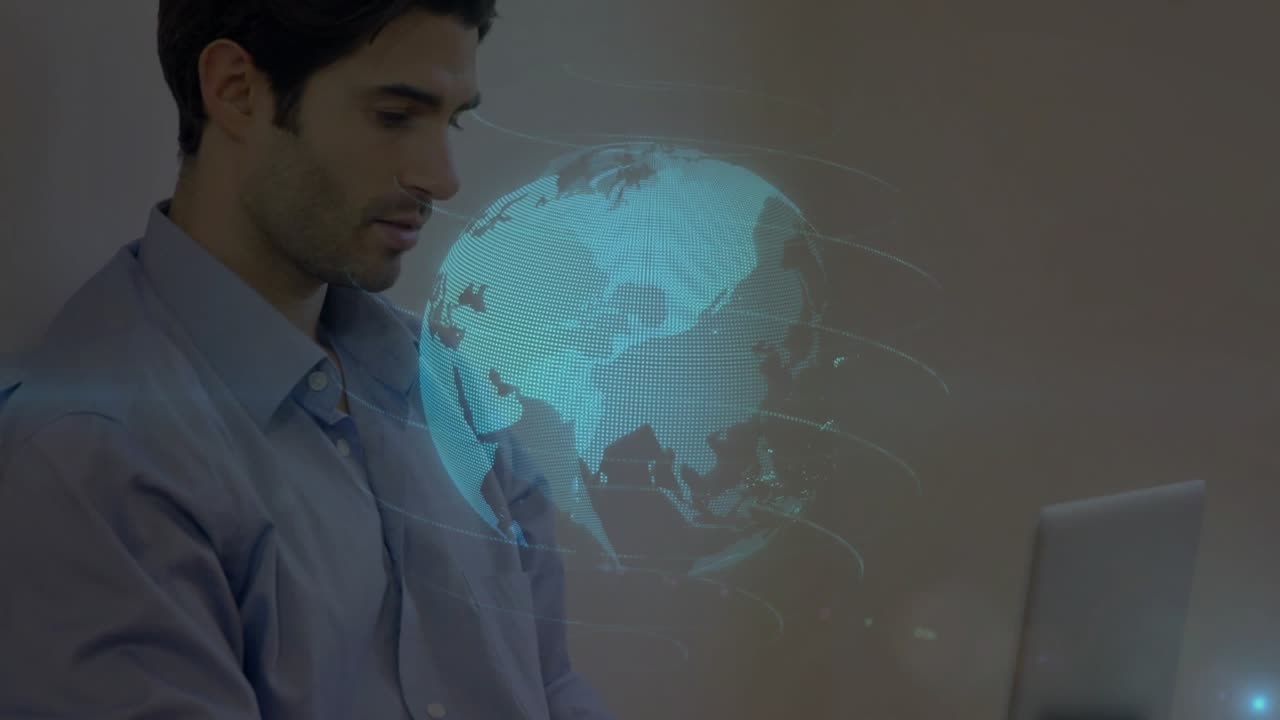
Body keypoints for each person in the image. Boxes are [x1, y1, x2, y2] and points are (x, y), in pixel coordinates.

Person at [0, 2, 615, 718]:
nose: (441, 178)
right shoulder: (88, 457)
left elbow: (552, 687)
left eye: (449, 120)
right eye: (395, 116)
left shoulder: (442, 384)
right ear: (236, 89)